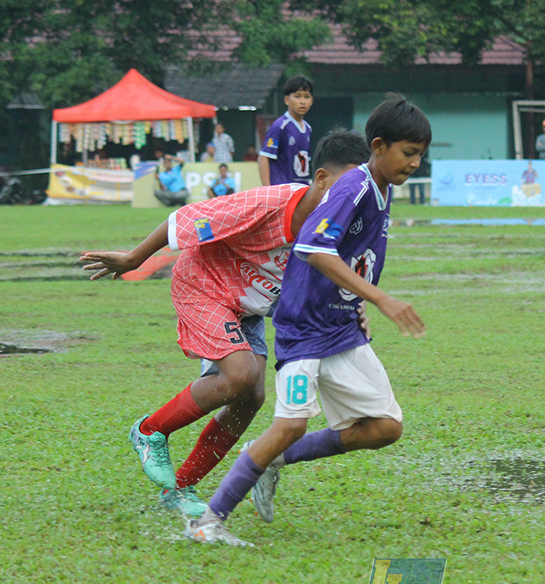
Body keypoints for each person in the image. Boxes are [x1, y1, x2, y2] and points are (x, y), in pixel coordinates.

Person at [79, 130, 371, 516]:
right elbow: (186, 218)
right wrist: (134, 259)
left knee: (251, 397)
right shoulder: (269, 203)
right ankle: (150, 431)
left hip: (247, 305)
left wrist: (354, 310)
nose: (351, 201)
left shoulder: (334, 232)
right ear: (320, 178)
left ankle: (180, 489)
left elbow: (331, 281)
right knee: (240, 375)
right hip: (203, 284)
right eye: (345, 188)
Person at [185, 95, 432, 546]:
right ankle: (207, 522)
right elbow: (313, 248)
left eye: (420, 154)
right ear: (379, 146)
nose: (415, 163)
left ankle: (268, 459)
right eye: (409, 152)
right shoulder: (354, 187)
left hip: (340, 328)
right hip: (303, 328)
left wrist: (357, 303)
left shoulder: (383, 188)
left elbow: (356, 256)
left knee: (385, 427)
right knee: (290, 425)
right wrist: (380, 299)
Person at [258, 77, 314, 186]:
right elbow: (264, 157)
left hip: (301, 189)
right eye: (297, 96)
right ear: (287, 100)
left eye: (306, 97)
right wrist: (267, 189)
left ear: (311, 101)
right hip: (283, 189)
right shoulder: (280, 126)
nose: (303, 101)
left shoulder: (308, 128)